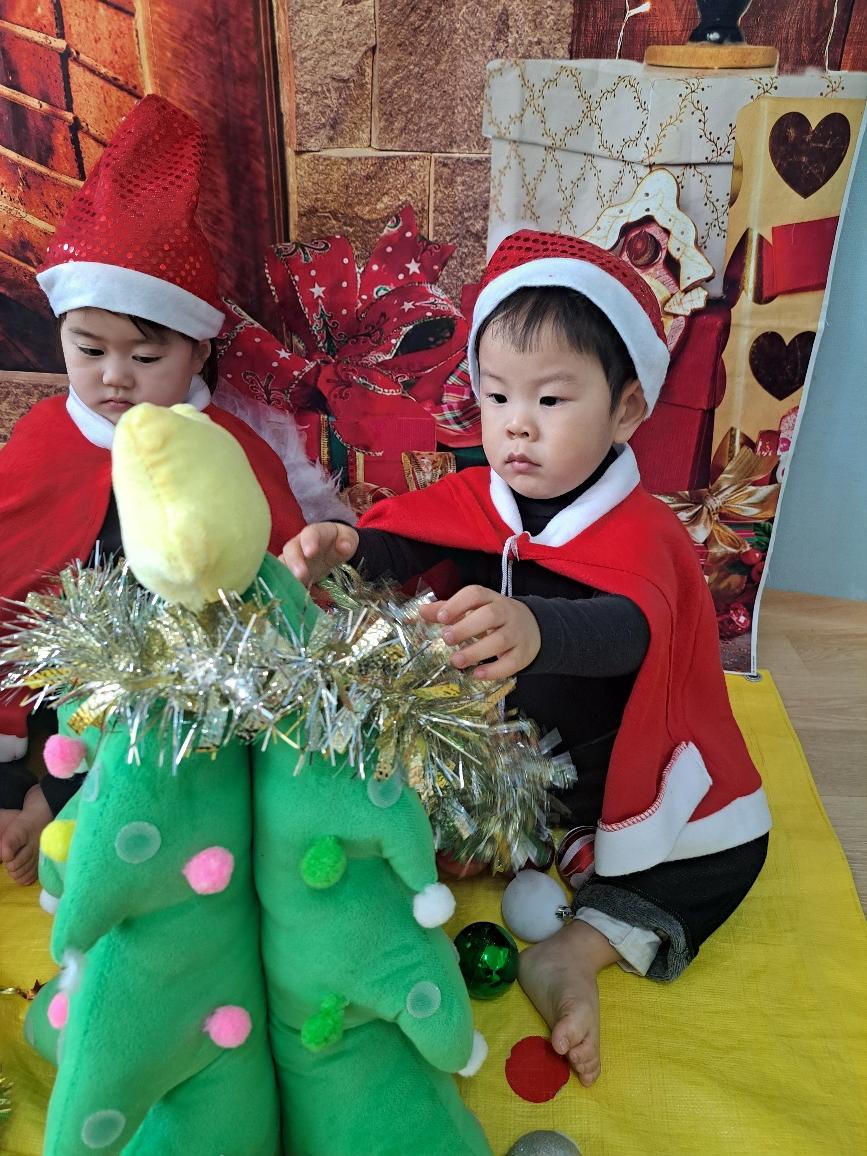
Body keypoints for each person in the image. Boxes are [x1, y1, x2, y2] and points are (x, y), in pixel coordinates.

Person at [281, 230, 772, 1088]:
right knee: (361, 792)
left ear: (625, 411)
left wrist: (538, 628)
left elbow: (634, 629)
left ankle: (574, 952)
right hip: (485, 761)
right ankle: (375, 933)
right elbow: (410, 538)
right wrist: (348, 546)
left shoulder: (644, 531)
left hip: (598, 772)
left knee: (728, 847)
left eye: (549, 399)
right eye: (496, 394)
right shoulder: (482, 494)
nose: (515, 424)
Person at [0, 95, 306, 886]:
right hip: (58, 686)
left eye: (145, 357)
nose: (114, 378)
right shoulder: (45, 440)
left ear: (198, 350)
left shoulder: (225, 448)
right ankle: (31, 795)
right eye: (88, 349)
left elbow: (283, 574)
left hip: (177, 687)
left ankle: (67, 808)